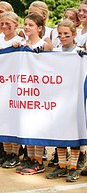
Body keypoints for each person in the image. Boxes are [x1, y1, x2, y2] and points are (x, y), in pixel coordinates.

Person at [12, 13, 52, 175]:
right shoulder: (20, 43)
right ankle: (30, 157)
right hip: (23, 90)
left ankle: (38, 160)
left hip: (39, 89)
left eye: (31, 25)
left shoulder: (45, 44)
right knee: (27, 123)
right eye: (25, 24)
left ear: (40, 28)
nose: (26, 27)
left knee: (37, 124)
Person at [45, 19, 82, 182]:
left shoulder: (80, 52)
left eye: (66, 34)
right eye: (60, 34)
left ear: (74, 34)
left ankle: (74, 167)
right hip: (58, 99)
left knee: (73, 134)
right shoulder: (56, 51)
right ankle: (61, 165)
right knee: (60, 132)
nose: (62, 37)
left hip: (75, 99)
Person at [0, 12, 24, 168]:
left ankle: (15, 154)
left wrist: (19, 48)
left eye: (8, 24)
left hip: (14, 86)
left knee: (13, 121)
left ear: (16, 25)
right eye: (1, 24)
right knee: (2, 120)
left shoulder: (19, 41)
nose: (4, 27)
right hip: (0, 86)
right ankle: (6, 153)